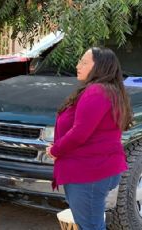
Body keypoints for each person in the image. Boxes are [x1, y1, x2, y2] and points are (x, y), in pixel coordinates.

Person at [46, 47, 133, 229]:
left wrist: (55, 150)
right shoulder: (109, 90)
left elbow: (80, 132)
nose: (78, 65)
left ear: (100, 67)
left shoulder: (96, 91)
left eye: (84, 62)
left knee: (91, 226)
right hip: (95, 169)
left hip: (89, 173)